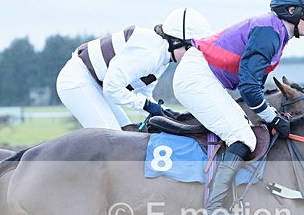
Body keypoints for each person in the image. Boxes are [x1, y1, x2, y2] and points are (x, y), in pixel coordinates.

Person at [172, 0, 304, 215]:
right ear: (292, 10)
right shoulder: (269, 33)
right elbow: (248, 88)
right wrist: (273, 118)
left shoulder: (275, 31)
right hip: (196, 77)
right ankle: (213, 209)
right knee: (243, 137)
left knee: (245, 130)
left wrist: (273, 116)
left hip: (203, 76)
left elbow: (253, 86)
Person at [56, 7, 212, 129]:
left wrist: (165, 111)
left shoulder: (163, 55)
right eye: (192, 48)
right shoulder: (150, 53)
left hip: (98, 84)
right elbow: (112, 88)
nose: (194, 55)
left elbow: (142, 94)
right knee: (112, 141)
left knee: (126, 133)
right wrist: (147, 106)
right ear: (176, 41)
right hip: (78, 81)